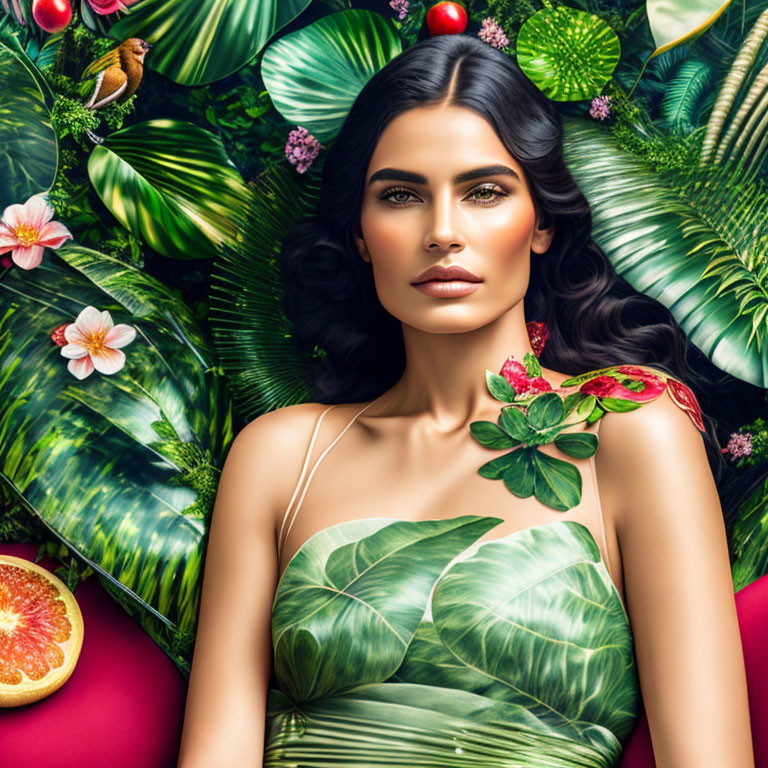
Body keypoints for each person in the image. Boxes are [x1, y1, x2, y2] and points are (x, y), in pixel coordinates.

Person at [176, 34, 755, 767]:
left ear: (542, 222)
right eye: (401, 196)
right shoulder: (281, 454)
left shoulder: (632, 431)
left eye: (484, 191)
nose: (442, 232)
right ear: (360, 233)